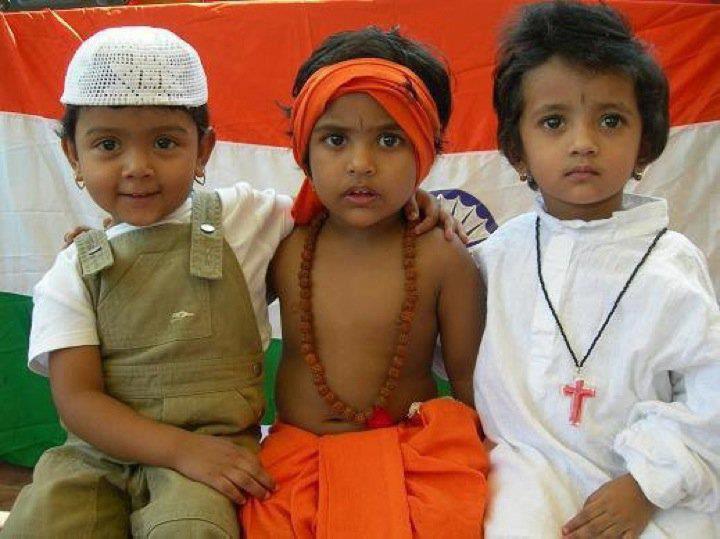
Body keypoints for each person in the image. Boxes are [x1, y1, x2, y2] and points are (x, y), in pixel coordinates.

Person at [1, 26, 452, 538]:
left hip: (212, 455)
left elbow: (344, 205)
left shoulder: (247, 220)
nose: (137, 168)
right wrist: (177, 449)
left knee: (192, 531)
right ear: (72, 155)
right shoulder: (71, 271)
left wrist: (413, 201)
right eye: (108, 145)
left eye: (165, 143)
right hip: (94, 455)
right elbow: (78, 401)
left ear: (204, 149)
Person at [472, 2, 720, 537]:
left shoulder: (670, 264)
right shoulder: (497, 256)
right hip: (524, 472)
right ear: (517, 149)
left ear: (644, 144)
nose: (583, 142)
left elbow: (711, 392)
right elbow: (435, 324)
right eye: (553, 122)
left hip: (649, 484)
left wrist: (647, 484)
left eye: (611, 120)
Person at [241, 27, 489, 538]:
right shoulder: (280, 242)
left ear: (424, 152)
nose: (361, 164)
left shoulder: (444, 258)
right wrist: (124, 238)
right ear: (304, 151)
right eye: (336, 139)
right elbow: (191, 279)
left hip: (415, 463)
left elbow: (472, 386)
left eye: (390, 140)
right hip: (296, 466)